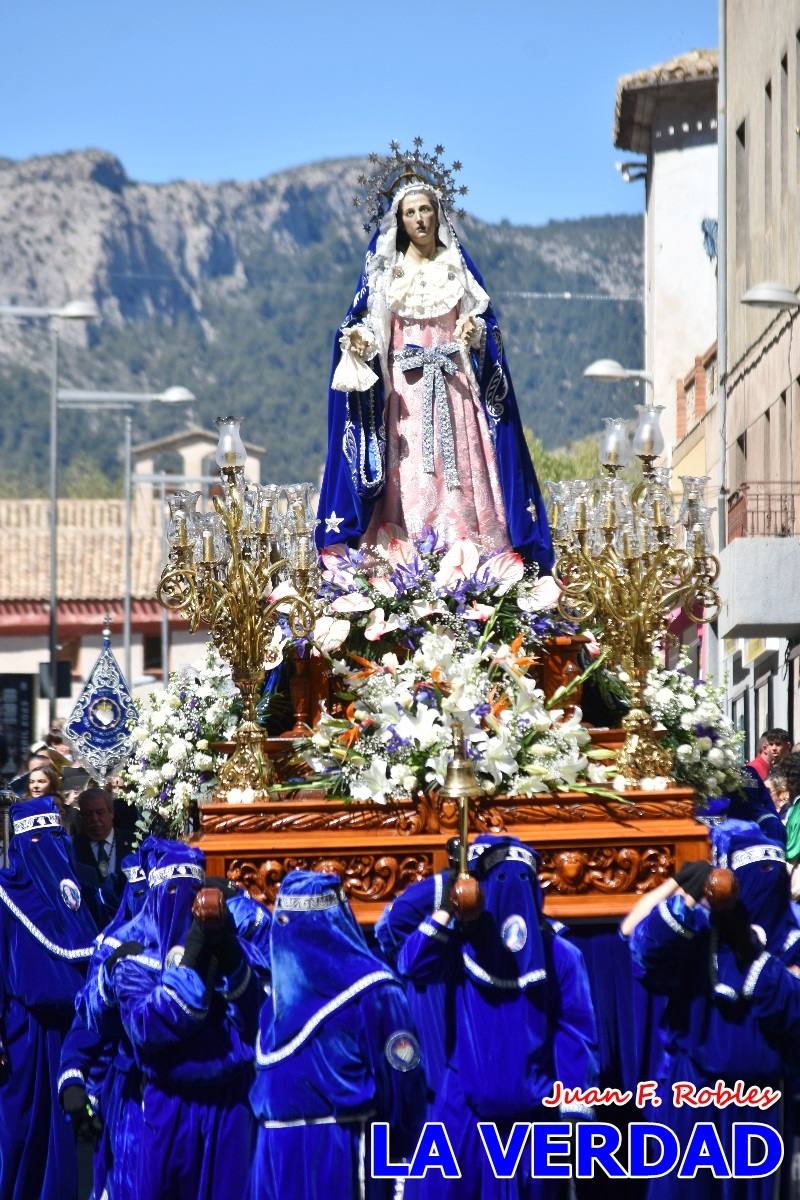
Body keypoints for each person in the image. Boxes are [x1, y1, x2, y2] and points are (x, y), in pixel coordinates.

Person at [315, 155, 553, 572]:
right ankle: (405, 564)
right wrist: (360, 340)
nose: (419, 219)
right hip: (405, 401)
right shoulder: (387, 272)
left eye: (425, 209)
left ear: (437, 213)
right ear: (399, 221)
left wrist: (475, 334)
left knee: (460, 472)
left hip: (455, 392)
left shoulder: (455, 268)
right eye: (410, 213)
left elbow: (485, 325)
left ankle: (470, 560)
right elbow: (370, 325)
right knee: (406, 476)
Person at [397, 834, 598, 1199]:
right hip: (463, 1112)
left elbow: (575, 1035)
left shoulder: (561, 954)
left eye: (522, 880)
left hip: (534, 1118)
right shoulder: (459, 945)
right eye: (501, 879)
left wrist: (574, 1116)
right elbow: (412, 964)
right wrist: (449, 898)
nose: (513, 893)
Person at [621, 819, 800, 1199]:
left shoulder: (791, 939)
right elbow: (640, 944)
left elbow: (790, 1010)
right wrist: (684, 888)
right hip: (694, 1094)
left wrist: (753, 956)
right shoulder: (697, 932)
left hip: (761, 1102)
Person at [250, 869, 425, 1199]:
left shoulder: (374, 993)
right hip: (280, 1151)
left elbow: (405, 1082)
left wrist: (401, 1155)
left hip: (343, 1149)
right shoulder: (274, 1005)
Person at [106, 841, 262, 1200]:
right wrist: (192, 959)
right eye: (171, 893)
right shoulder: (134, 961)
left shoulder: (231, 945)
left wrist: (228, 953)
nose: (181, 905)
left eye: (190, 893)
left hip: (230, 1104)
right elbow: (148, 1029)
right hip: (169, 1107)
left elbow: (256, 1020)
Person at [0, 796, 98, 1200]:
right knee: (23, 1133)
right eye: (43, 840)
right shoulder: (5, 894)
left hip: (68, 1033)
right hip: (23, 1034)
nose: (52, 850)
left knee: (65, 1137)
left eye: (57, 839)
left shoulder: (75, 892)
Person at [72, 786, 136, 904]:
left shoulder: (134, 841)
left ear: (112, 813)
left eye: (100, 812)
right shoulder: (72, 848)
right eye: (88, 814)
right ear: (81, 817)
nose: (95, 819)